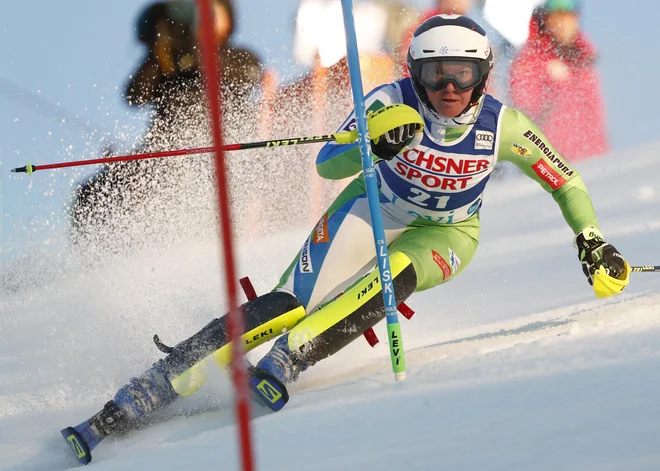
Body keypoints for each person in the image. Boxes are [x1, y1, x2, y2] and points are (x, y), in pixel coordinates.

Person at [61, 14, 631, 465]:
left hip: (448, 233)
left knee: (393, 278)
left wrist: (592, 240)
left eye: (462, 73)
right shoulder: (389, 99)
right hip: (371, 207)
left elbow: (567, 180)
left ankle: (291, 359)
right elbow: (330, 163)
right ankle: (151, 388)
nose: (449, 88)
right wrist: (373, 146)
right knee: (285, 303)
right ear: (416, 73)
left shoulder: (504, 125)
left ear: (483, 74)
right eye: (436, 75)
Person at [69, 0, 262, 246]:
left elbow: (247, 74)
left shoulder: (238, 56)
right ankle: (104, 253)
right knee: (93, 192)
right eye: (199, 16)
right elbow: (135, 94)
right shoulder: (169, 64)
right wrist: (159, 50)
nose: (204, 22)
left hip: (220, 149)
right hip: (165, 151)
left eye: (211, 14)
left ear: (228, 21)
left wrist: (195, 55)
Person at [509, 0, 608, 161]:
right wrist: (557, 84)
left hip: (594, 158)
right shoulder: (529, 60)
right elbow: (525, 114)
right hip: (550, 164)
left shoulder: (584, 59)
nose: (564, 24)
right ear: (545, 19)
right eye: (557, 16)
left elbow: (596, 114)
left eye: (569, 16)